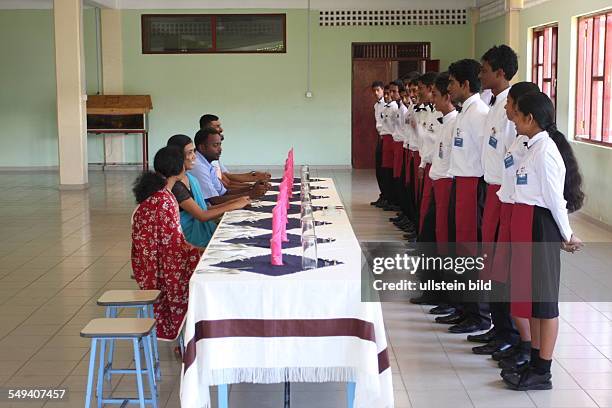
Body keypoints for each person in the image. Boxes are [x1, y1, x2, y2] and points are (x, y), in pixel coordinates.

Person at [502, 91, 584, 391]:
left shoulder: (546, 150)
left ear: (530, 118)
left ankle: (543, 371)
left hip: (540, 226)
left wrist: (566, 234)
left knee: (545, 304)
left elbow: (554, 199)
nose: (513, 118)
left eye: (517, 113)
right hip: (527, 224)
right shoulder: (530, 146)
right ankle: (534, 363)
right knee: (534, 302)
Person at [471, 45, 521, 356]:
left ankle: (508, 333)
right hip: (491, 189)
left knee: (503, 265)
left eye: (485, 69)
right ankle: (496, 327)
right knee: (492, 262)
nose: (480, 74)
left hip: (504, 194)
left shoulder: (512, 108)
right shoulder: (494, 104)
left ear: (500, 73)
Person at [490, 82, 541, 372]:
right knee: (506, 277)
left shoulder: (537, 145)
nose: (507, 108)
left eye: (511, 104)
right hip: (507, 207)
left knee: (520, 283)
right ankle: (515, 339)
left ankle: (525, 345)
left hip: (521, 213)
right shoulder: (519, 139)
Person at [131, 146, 201, 341]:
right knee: (202, 273)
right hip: (157, 266)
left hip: (149, 261)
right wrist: (198, 252)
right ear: (178, 167)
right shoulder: (164, 200)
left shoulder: (162, 194)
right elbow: (172, 247)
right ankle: (192, 338)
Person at [441, 59, 491, 334]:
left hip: (473, 185)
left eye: (451, 83)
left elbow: (486, 155)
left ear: (465, 84)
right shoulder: (465, 112)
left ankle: (479, 315)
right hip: (460, 183)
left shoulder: (479, 114)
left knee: (472, 251)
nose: (449, 88)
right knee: (461, 248)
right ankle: (464, 308)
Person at [413, 72, 458, 310]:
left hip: (447, 185)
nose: (433, 99)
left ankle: (444, 295)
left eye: (437, 96)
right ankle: (432, 289)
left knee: (442, 240)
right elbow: (432, 149)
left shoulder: (456, 122)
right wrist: (423, 165)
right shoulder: (443, 121)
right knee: (430, 236)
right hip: (435, 180)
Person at [167, 134, 251, 247]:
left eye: (194, 152)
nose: (194, 157)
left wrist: (236, 202)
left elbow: (204, 208)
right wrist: (234, 205)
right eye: (190, 153)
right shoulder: (176, 186)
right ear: (177, 157)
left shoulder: (190, 179)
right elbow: (202, 215)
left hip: (200, 228)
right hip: (187, 238)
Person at [190, 127, 268, 204]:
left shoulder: (208, 164)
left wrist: (252, 188)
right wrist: (251, 194)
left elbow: (224, 193)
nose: (220, 149)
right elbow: (214, 201)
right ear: (202, 147)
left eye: (220, 145)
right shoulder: (198, 166)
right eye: (215, 145)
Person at [198, 114, 271, 187]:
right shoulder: (203, 158)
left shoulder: (212, 155)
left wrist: (253, 177)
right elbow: (223, 187)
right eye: (217, 126)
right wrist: (252, 186)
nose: (221, 129)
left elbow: (226, 177)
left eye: (219, 144)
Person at [415, 72, 443, 234]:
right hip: (428, 163)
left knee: (432, 209)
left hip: (438, 167)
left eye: (421, 88)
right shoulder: (431, 111)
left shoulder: (442, 114)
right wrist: (422, 163)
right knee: (424, 203)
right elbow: (427, 141)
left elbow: (436, 141)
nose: (418, 92)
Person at [371, 81, 386, 207]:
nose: (376, 93)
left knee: (385, 169)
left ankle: (387, 196)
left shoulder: (388, 105)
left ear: (383, 90)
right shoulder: (376, 106)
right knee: (379, 168)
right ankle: (383, 194)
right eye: (374, 91)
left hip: (387, 137)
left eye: (378, 90)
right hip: (380, 137)